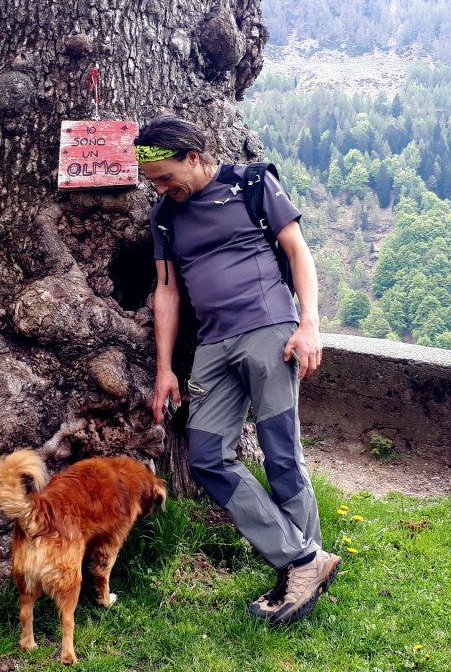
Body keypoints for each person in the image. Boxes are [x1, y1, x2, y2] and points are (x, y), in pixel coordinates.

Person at [136, 114, 340, 625]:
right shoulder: (165, 217)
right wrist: (165, 368)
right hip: (212, 346)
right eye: (153, 181)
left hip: (270, 329)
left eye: (165, 176)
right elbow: (166, 291)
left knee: (281, 454)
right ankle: (305, 561)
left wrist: (309, 324)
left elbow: (298, 251)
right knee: (206, 456)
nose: (161, 189)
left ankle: (298, 580)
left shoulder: (251, 184)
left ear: (194, 157)